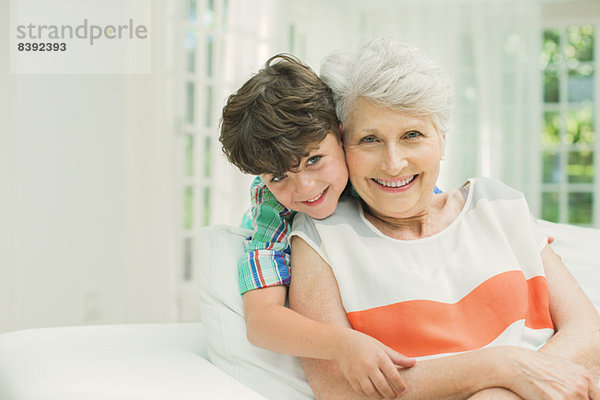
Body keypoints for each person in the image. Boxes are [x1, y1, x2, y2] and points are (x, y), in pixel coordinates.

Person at [289, 38, 600, 399]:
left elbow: (589, 334)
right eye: (370, 139)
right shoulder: (322, 238)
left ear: (442, 140)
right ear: (343, 146)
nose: (393, 163)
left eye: (412, 135)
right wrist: (502, 368)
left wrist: (517, 386)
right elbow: (339, 389)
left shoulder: (497, 205)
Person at [219, 54, 416, 400]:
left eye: (314, 160)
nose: (305, 188)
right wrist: (342, 344)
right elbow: (262, 321)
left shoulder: (375, 169)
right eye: (279, 176)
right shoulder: (271, 208)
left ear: (340, 135)